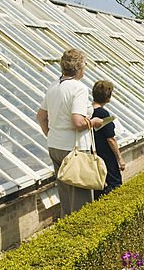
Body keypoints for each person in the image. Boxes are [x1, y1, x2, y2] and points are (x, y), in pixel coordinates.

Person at [36, 48, 104, 217]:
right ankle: (82, 236)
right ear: (79, 67)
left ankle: (67, 231)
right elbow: (78, 121)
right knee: (81, 201)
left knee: (65, 196)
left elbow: (41, 116)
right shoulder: (78, 88)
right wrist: (93, 122)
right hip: (74, 150)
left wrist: (51, 134)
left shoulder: (53, 86)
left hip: (55, 146)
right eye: (85, 65)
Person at [91, 79, 125, 196]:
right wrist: (120, 158)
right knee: (115, 184)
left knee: (97, 185)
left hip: (93, 154)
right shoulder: (103, 114)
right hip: (105, 155)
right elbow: (110, 138)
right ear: (108, 97)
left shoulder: (88, 111)